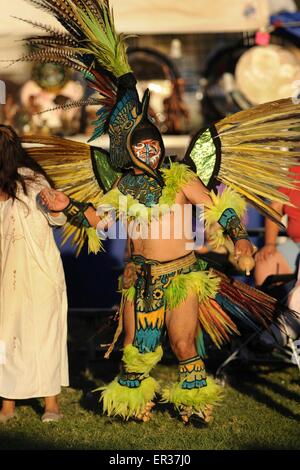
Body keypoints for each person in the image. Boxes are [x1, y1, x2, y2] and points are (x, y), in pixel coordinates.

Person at [18, 0, 300, 423]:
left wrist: (240, 237)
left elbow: (218, 207)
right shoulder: (121, 185)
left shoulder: (182, 178)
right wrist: (67, 205)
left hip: (182, 277)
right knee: (137, 348)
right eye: (136, 148)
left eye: (147, 146)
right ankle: (135, 404)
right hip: (140, 277)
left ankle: (194, 405)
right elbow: (95, 220)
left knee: (184, 346)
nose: (144, 153)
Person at [0, 125, 69, 424]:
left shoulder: (32, 181)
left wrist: (57, 210)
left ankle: (51, 404)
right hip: (5, 273)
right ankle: (7, 405)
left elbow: (55, 215)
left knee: (43, 334)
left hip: (39, 272)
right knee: (4, 336)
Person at [254, 165, 300, 287]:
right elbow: (276, 206)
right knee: (265, 262)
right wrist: (270, 244)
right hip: (296, 245)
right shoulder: (295, 170)